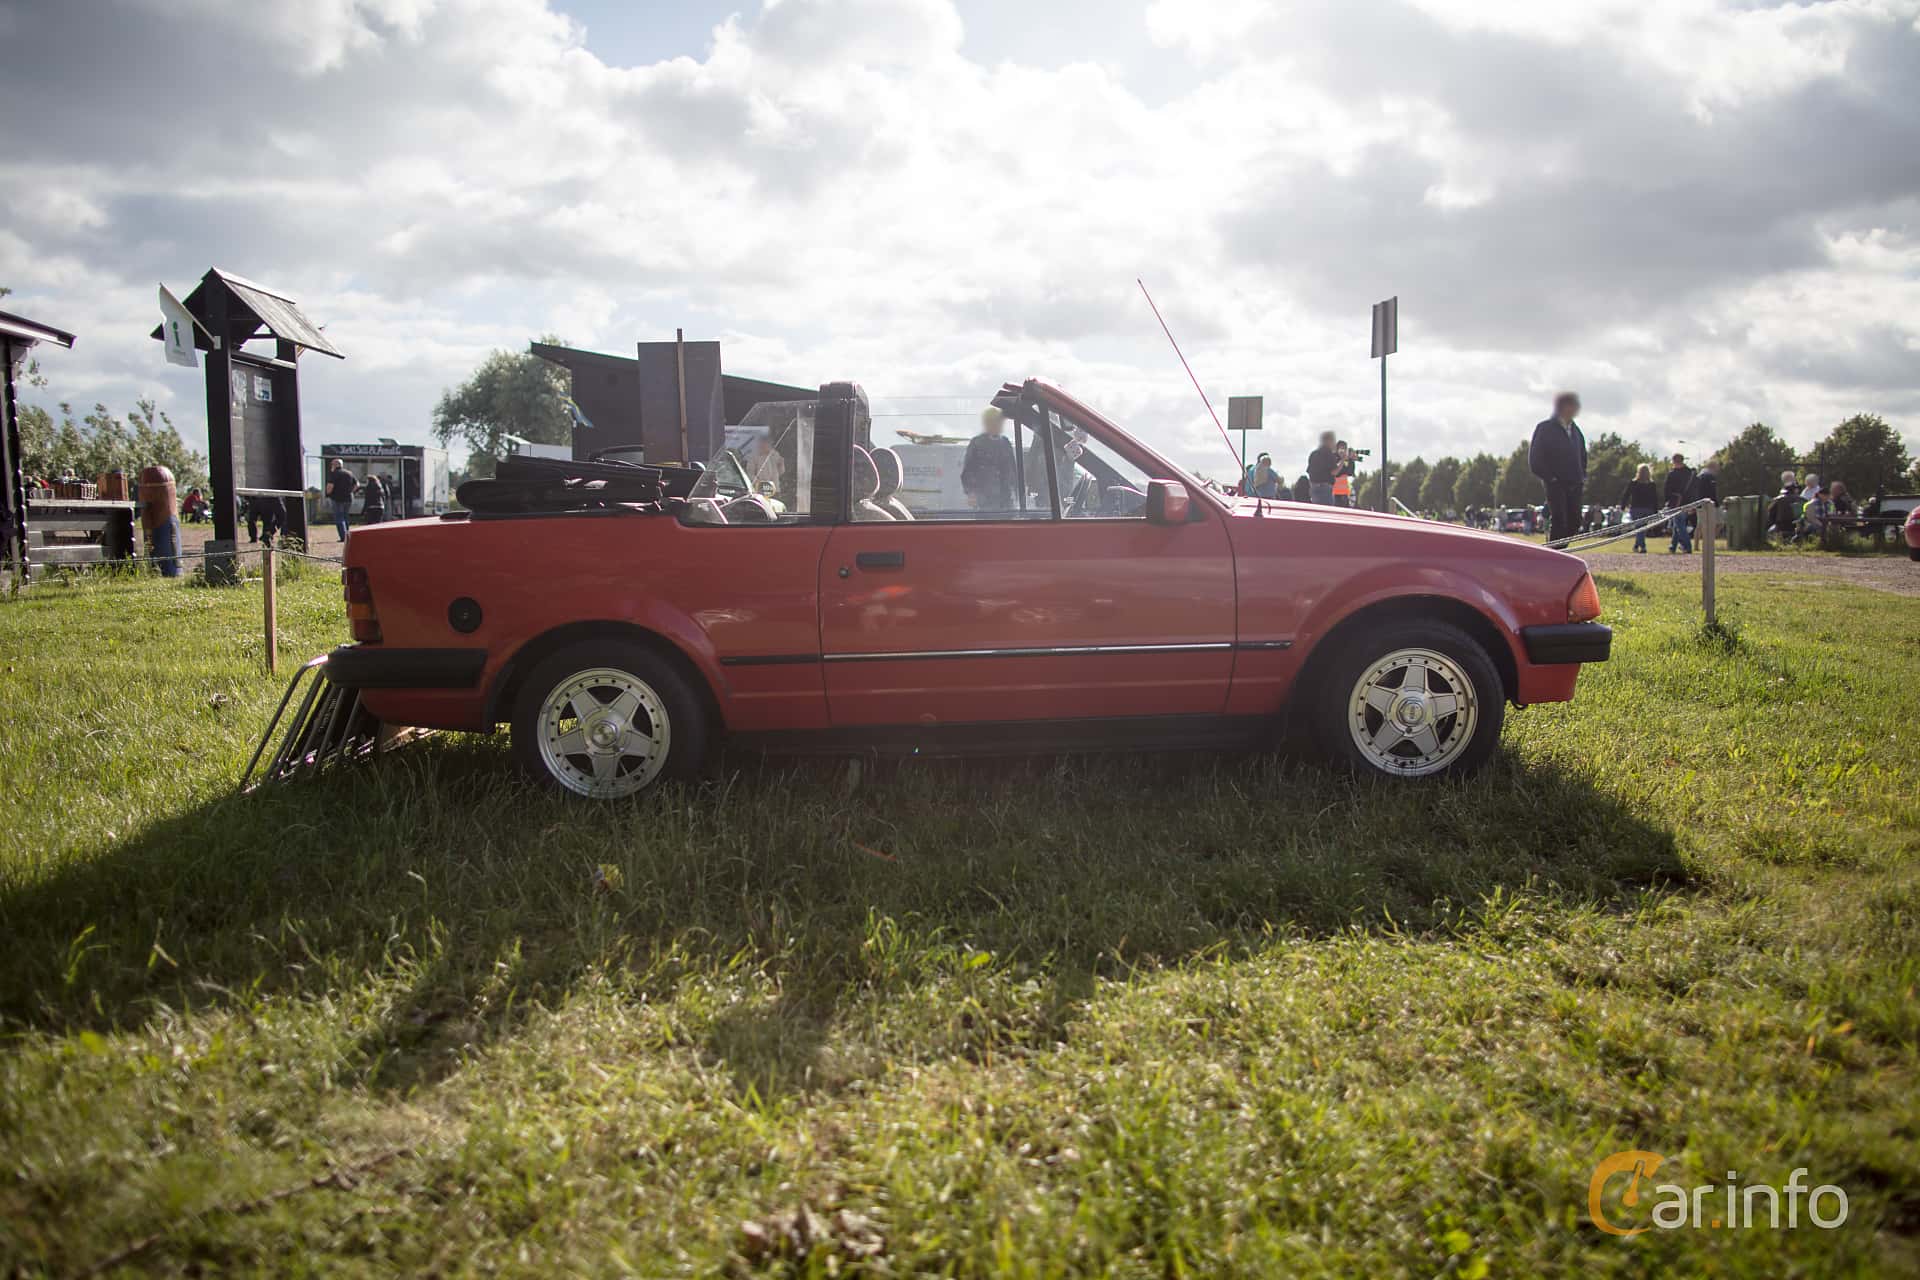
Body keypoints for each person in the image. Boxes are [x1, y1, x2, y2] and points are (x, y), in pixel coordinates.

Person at [1527, 391, 1588, 543]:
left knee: (1575, 521)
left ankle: (1558, 550)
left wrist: (1582, 477)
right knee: (1560, 519)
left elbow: (1582, 456)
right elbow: (1535, 458)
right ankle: (1554, 552)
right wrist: (1551, 478)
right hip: (1555, 483)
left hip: (1575, 484)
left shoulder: (1576, 431)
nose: (1576, 409)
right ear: (1563, 406)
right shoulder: (1545, 428)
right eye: (1573, 405)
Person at [960, 406, 1016, 512]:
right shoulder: (977, 443)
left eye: (999, 422)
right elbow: (968, 472)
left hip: (1005, 502)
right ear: (988, 423)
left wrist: (1016, 492)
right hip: (984, 503)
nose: (998, 425)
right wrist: (971, 493)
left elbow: (1012, 470)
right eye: (995, 422)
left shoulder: (1005, 443)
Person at [1621, 462, 1659, 553]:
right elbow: (1655, 498)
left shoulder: (1634, 483)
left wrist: (1623, 505)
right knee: (1642, 528)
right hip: (1648, 509)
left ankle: (1642, 546)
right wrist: (1655, 510)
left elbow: (1626, 495)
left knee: (1639, 528)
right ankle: (1637, 545)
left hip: (1636, 508)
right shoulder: (1651, 484)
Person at [325, 459, 358, 542]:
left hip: (337, 498)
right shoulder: (349, 473)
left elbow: (330, 486)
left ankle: (343, 537)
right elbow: (357, 484)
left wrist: (328, 493)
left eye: (332, 464)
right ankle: (348, 535)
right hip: (348, 498)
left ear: (335, 465)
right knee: (345, 516)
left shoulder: (334, 473)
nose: (331, 466)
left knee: (339, 517)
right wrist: (351, 491)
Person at [1306, 431, 1337, 505]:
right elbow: (1334, 472)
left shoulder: (1313, 454)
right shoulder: (1329, 454)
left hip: (1314, 487)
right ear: (1328, 441)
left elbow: (1309, 471)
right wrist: (1342, 461)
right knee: (1327, 509)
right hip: (1325, 488)